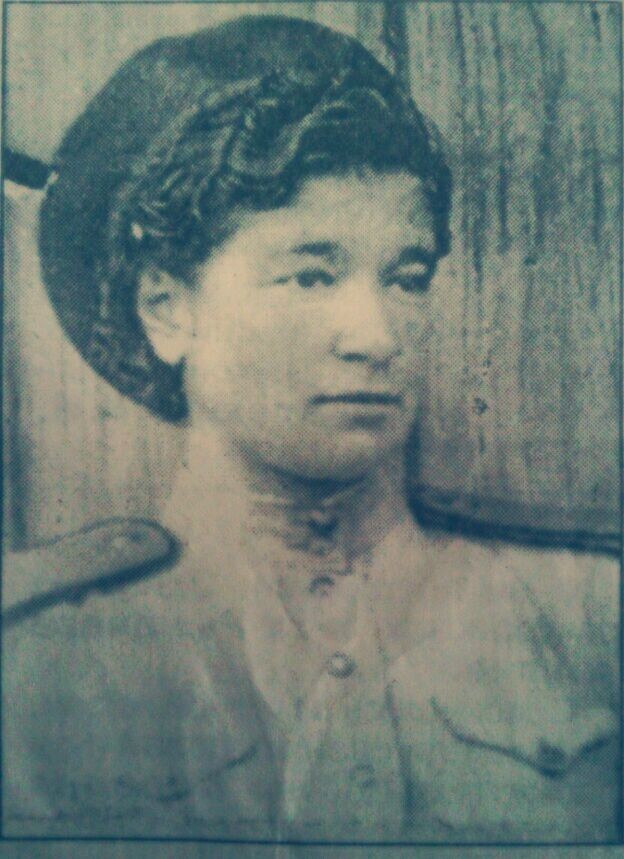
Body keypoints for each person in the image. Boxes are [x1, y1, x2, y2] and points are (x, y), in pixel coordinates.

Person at [3, 15, 619, 843]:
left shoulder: (586, 616)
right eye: (310, 276)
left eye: (406, 277)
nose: (377, 334)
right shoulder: (36, 657)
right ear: (167, 309)